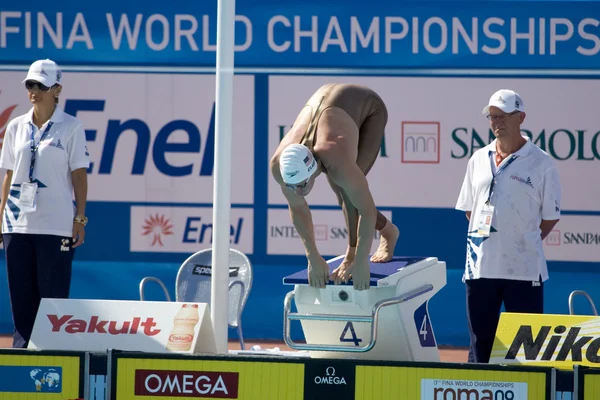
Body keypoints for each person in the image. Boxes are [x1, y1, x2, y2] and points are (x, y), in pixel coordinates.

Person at [455, 89, 562, 363]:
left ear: (521, 117)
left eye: (503, 116)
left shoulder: (542, 163)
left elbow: (549, 217)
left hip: (524, 272)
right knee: (481, 349)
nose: (496, 122)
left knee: (526, 354)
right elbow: (471, 210)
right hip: (480, 269)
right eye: (492, 116)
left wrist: (521, 241)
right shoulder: (478, 158)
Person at [270, 83, 400, 291]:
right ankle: (388, 230)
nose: (298, 191)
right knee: (343, 186)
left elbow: (366, 210)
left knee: (347, 193)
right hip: (329, 105)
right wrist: (312, 256)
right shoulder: (279, 166)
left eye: (302, 185)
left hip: (368, 110)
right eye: (292, 186)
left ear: (312, 169)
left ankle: (385, 235)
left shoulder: (336, 158)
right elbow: (297, 207)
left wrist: (358, 260)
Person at [0, 59, 90, 348]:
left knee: (52, 301)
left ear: (57, 88)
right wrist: (0, 217)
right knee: (21, 297)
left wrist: (80, 218)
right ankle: (21, 357)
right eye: (30, 84)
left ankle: (54, 355)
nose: (34, 90)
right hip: (16, 224)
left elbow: (79, 175)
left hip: (56, 225)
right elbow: (10, 175)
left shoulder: (71, 127)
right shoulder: (15, 126)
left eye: (41, 85)